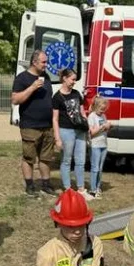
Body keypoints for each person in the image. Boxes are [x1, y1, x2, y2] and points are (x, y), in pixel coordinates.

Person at [11, 50, 57, 197]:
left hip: (47, 126)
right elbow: (15, 100)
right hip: (30, 126)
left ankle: (46, 184)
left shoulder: (46, 77)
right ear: (34, 62)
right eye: (43, 62)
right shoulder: (22, 78)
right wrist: (32, 87)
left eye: (46, 61)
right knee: (29, 158)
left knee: (45, 157)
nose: (46, 65)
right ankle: (30, 185)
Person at [34, 188, 105, 266]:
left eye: (81, 225)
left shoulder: (94, 244)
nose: (78, 231)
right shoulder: (48, 254)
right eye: (71, 226)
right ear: (58, 224)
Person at [51, 68, 91, 198]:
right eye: (72, 79)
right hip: (66, 131)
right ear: (64, 78)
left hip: (80, 131)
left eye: (75, 79)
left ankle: (81, 189)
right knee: (66, 160)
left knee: (80, 161)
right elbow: (55, 119)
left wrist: (86, 125)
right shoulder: (57, 97)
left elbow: (82, 112)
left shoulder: (76, 93)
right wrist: (57, 138)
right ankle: (67, 189)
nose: (74, 82)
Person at [87, 96, 112, 199]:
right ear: (96, 106)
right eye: (101, 107)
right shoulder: (92, 116)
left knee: (100, 168)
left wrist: (109, 127)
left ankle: (98, 187)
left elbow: (105, 131)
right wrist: (103, 127)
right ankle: (92, 190)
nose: (103, 109)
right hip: (95, 145)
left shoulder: (103, 116)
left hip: (103, 144)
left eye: (104, 107)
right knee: (95, 168)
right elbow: (92, 133)